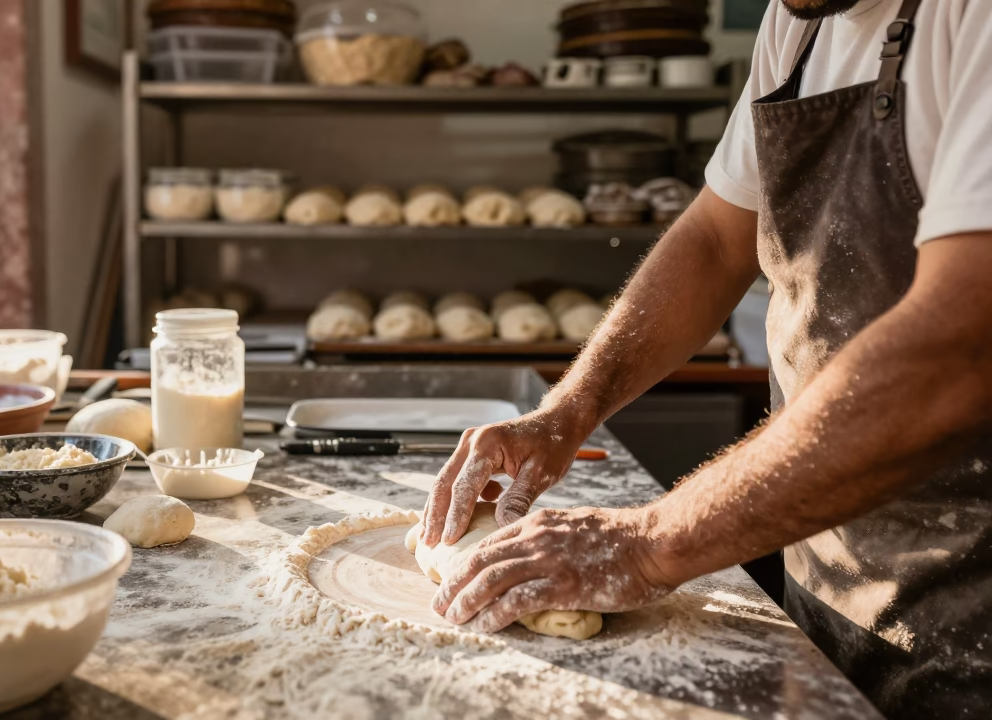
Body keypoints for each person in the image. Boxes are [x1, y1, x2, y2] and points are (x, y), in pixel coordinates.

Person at [419, 1, 990, 717]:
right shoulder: (798, 23)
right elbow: (717, 240)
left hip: (971, 615)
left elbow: (955, 353)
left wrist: (646, 543)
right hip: (821, 568)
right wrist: (569, 410)